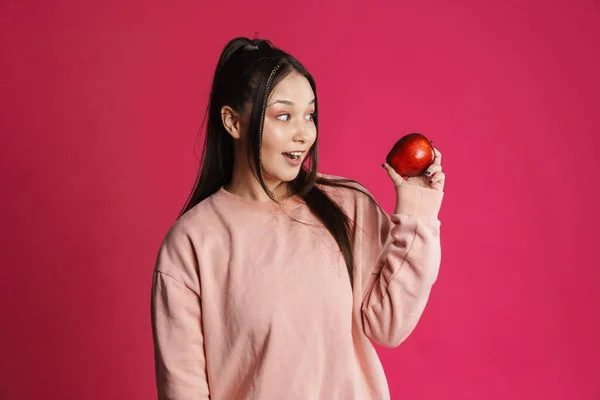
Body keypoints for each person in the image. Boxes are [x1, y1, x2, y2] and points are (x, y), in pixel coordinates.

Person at [150, 36, 445, 400]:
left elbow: (389, 324)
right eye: (284, 115)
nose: (304, 133)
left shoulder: (347, 204)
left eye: (309, 115)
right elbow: (184, 389)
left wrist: (416, 212)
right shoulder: (191, 244)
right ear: (232, 122)